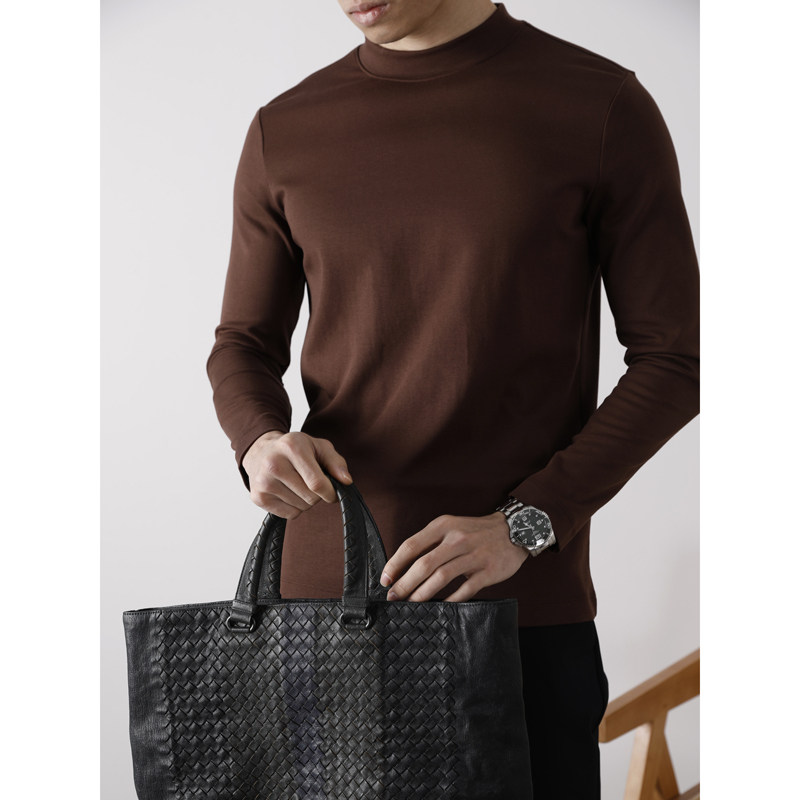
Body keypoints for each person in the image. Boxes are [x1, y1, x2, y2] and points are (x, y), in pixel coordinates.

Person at [205, 1, 700, 797]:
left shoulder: (600, 105)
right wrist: (258, 438)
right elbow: (242, 343)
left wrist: (527, 522)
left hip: (516, 613)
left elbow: (679, 358)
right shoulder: (285, 129)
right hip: (319, 609)